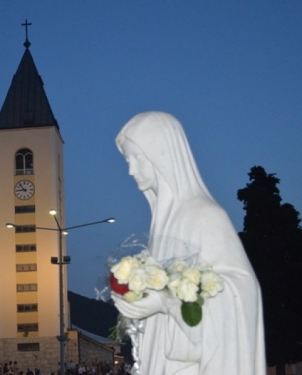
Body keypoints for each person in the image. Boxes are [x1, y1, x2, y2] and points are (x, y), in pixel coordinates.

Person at [112, 112, 266, 374]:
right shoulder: (162, 224)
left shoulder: (204, 216)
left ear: (163, 155)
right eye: (128, 160)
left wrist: (164, 303)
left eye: (137, 158)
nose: (131, 170)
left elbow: (241, 292)